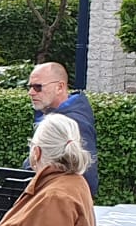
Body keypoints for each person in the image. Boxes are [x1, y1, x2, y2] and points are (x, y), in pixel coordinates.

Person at [25, 61, 98, 196]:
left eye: (38, 87)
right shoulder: (54, 114)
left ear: (60, 87)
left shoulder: (73, 123)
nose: (31, 92)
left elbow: (87, 177)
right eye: (29, 87)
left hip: (57, 204)